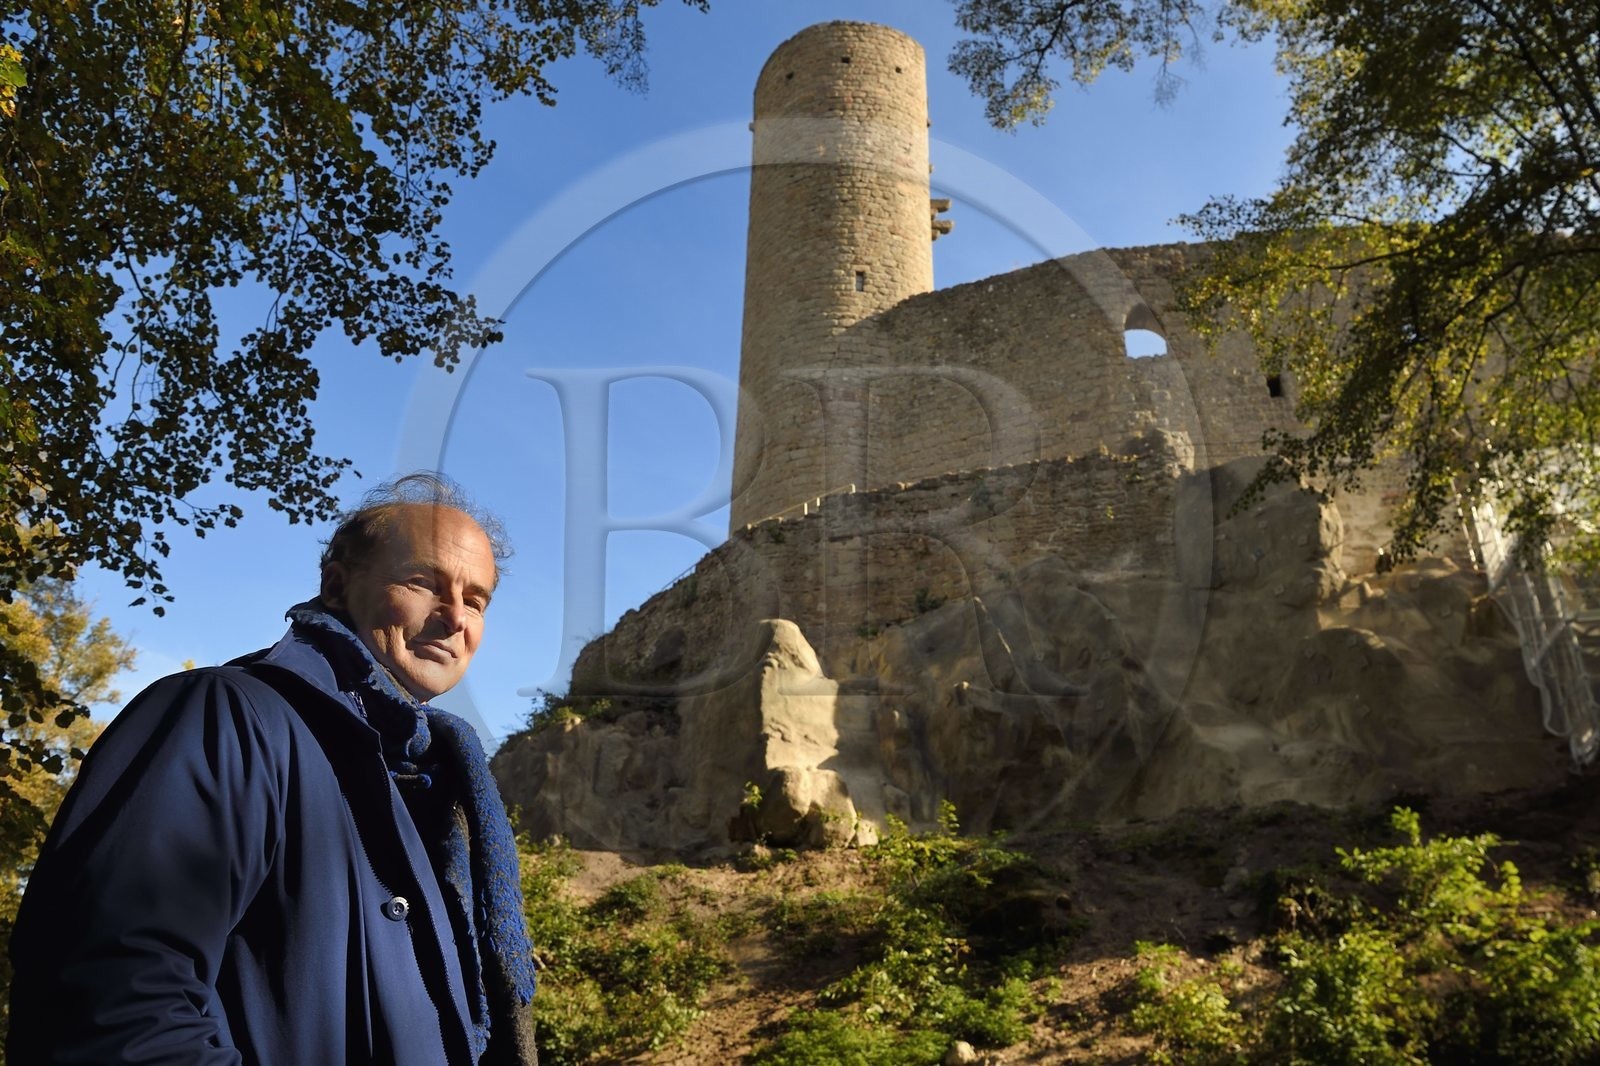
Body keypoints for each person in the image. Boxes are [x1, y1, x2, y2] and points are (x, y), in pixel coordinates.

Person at [7, 473, 538, 1065]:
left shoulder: (429, 799)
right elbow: (111, 1007)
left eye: (476, 600)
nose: (455, 617)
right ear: (337, 587)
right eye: (423, 582)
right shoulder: (224, 717)